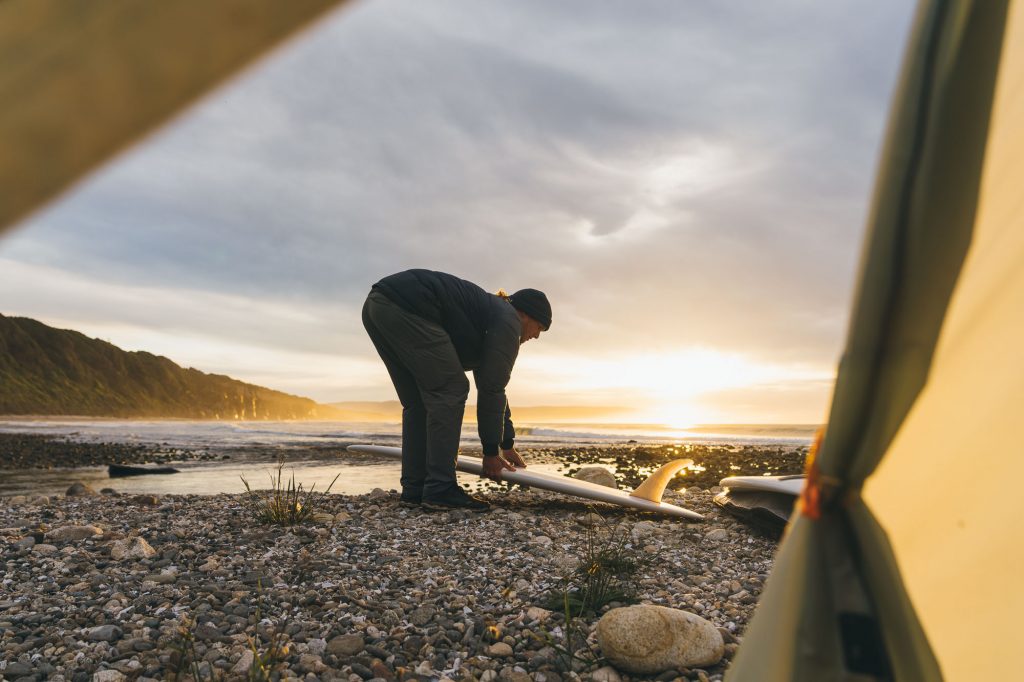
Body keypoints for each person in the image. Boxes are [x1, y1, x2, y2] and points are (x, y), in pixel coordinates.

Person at [361, 269, 551, 512]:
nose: (535, 336)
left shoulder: (491, 315)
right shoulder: (508, 320)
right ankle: (440, 489)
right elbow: (493, 390)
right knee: (451, 389)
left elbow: (492, 386)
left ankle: (415, 489)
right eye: (539, 328)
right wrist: (490, 453)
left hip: (377, 306)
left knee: (418, 403)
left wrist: (505, 443)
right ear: (524, 314)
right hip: (408, 305)